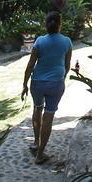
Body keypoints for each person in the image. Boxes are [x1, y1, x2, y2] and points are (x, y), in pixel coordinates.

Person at [21, 10, 73, 164]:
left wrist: (24, 84)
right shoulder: (67, 42)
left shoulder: (39, 42)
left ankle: (36, 143)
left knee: (37, 108)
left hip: (37, 82)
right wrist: (61, 79)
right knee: (48, 117)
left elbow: (31, 65)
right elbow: (67, 65)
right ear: (60, 24)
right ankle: (40, 154)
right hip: (56, 83)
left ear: (46, 25)